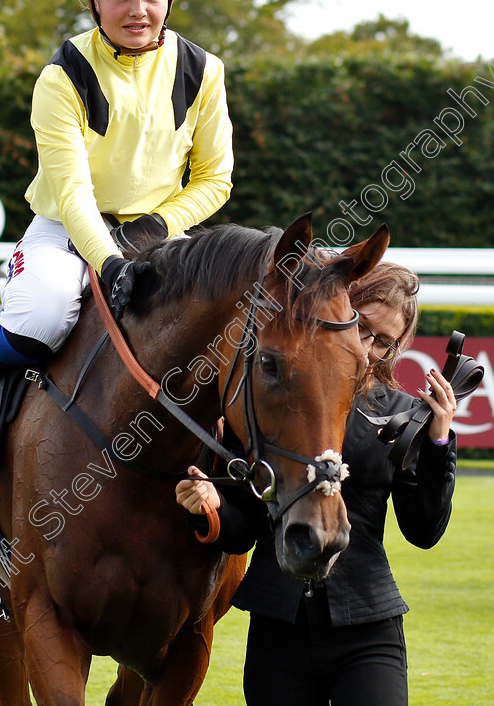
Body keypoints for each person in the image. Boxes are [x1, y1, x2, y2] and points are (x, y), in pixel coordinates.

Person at [0, 0, 234, 442]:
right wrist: (111, 260)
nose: (138, 10)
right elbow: (72, 191)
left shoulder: (204, 71)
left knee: (222, 332)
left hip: (159, 234)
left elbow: (215, 179)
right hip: (67, 229)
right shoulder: (61, 74)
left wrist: (148, 233)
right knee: (42, 316)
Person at [176, 261, 458, 706]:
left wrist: (439, 439)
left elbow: (423, 531)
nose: (368, 350)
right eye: (362, 328)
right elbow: (243, 529)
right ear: (339, 310)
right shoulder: (270, 400)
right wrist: (211, 506)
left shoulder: (404, 415)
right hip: (278, 626)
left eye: (384, 342)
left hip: (369, 629)